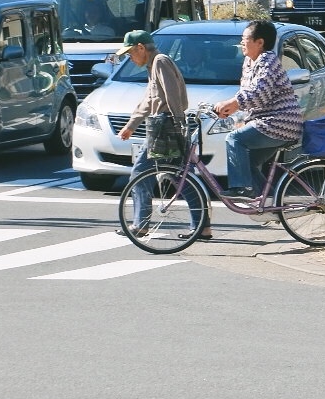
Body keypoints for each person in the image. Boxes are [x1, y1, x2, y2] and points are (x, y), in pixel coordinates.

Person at [115, 29, 209, 238]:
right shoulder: (154, 65)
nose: (130, 58)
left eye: (130, 53)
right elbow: (150, 99)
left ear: (141, 47)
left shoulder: (160, 62)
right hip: (167, 124)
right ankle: (203, 226)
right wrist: (131, 125)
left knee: (140, 172)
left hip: (165, 126)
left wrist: (177, 122)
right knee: (181, 176)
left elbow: (171, 94)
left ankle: (141, 224)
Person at [213, 20, 303, 198]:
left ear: (260, 42)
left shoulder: (267, 60)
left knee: (233, 139)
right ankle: (269, 202)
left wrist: (231, 103)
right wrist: (234, 113)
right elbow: (246, 93)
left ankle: (242, 188)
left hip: (280, 123)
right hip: (266, 122)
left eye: (245, 39)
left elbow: (259, 93)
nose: (241, 43)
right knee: (248, 161)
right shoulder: (249, 62)